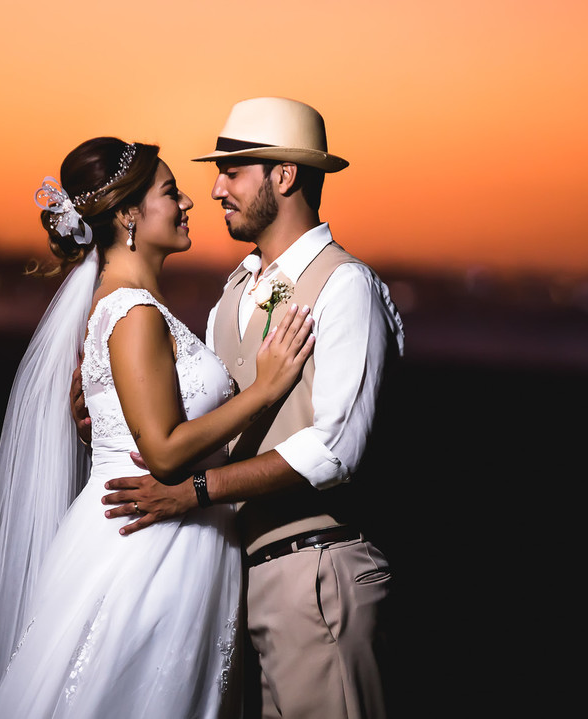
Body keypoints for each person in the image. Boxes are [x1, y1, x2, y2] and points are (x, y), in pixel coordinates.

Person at [0, 136, 315, 719]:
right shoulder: (133, 313)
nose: (189, 201)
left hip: (167, 536)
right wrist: (266, 389)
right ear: (128, 215)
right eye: (170, 192)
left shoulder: (128, 305)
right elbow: (162, 453)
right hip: (150, 544)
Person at [91, 98, 405, 718]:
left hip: (317, 576)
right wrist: (109, 409)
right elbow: (207, 423)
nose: (214, 189)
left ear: (283, 176)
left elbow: (335, 450)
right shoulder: (232, 294)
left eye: (232, 171)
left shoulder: (345, 286)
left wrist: (196, 492)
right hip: (236, 582)